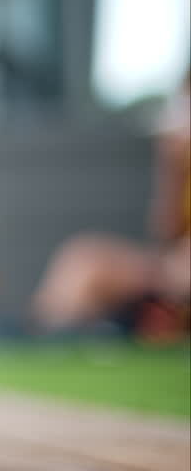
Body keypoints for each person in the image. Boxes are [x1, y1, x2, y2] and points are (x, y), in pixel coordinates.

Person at [33, 72, 190, 338]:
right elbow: (165, 234)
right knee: (82, 260)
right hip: (172, 270)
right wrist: (172, 170)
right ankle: (53, 336)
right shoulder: (180, 159)